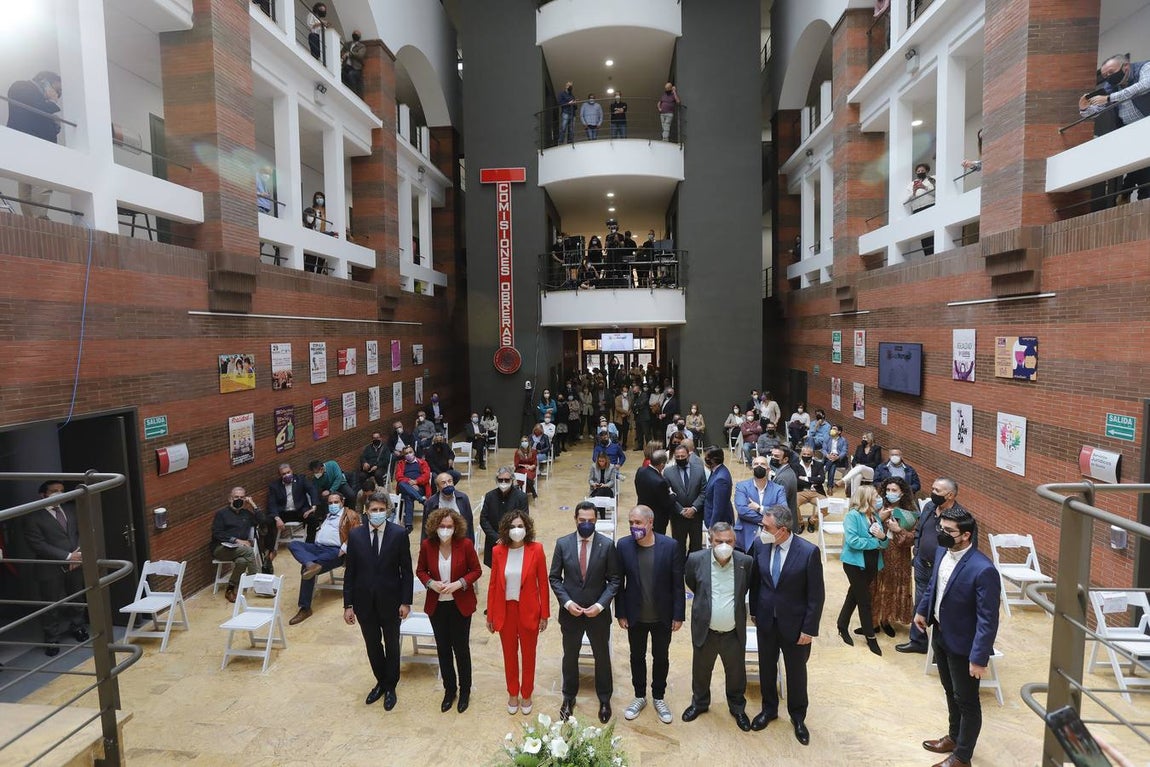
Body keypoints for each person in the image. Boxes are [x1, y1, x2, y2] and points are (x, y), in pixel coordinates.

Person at [914, 507, 1000, 767]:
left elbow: (988, 619)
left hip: (964, 643)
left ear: (965, 535)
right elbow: (934, 587)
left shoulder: (983, 569)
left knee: (968, 701)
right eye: (941, 528)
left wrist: (979, 657)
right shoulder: (943, 551)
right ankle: (953, 737)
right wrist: (922, 612)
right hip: (940, 633)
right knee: (950, 691)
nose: (941, 533)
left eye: (948, 531)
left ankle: (963, 756)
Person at [747, 504, 825, 743]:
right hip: (766, 620)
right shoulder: (760, 544)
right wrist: (754, 613)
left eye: (766, 527)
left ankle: (798, 717)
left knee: (796, 673)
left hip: (796, 626)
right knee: (767, 668)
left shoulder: (808, 552)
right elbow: (755, 581)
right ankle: (769, 710)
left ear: (782, 530)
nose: (762, 530)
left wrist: (809, 629)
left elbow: (816, 595)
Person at [550, 501, 622, 724]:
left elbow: (614, 580)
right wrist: (567, 602)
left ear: (596, 521)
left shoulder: (607, 545)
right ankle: (568, 697)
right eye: (583, 521)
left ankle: (604, 699)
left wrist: (600, 605)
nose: (587, 524)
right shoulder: (563, 544)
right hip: (571, 613)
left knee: (602, 656)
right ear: (575, 519)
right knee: (569, 656)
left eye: (591, 521)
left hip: (597, 614)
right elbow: (555, 578)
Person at [343, 492, 414, 710]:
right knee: (373, 645)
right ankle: (381, 682)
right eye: (373, 510)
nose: (377, 513)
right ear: (366, 511)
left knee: (392, 645)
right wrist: (348, 605)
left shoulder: (399, 534)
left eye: (381, 509)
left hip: (391, 601)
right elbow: (350, 572)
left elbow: (407, 572)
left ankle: (391, 686)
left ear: (388, 511)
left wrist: (406, 602)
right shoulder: (355, 536)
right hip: (364, 603)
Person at [616, 505, 685, 725]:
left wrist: (678, 614)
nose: (634, 527)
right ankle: (639, 696)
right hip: (635, 615)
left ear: (650, 523)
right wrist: (621, 612)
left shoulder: (670, 546)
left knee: (661, 657)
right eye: (631, 523)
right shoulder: (624, 545)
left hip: (662, 616)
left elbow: (677, 584)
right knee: (636, 657)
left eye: (638, 523)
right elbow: (619, 583)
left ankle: (658, 696)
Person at [681, 522, 753, 731]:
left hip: (733, 632)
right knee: (701, 671)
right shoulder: (696, 560)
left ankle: (737, 708)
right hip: (706, 630)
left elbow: (746, 588)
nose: (724, 545)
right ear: (710, 541)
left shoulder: (745, 562)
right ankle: (700, 704)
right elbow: (692, 583)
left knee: (736, 673)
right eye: (719, 541)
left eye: (728, 541)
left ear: (735, 541)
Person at [898, 477, 977, 654]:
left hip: (944, 570)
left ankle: (942, 648)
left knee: (942, 606)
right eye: (932, 489)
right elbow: (919, 530)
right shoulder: (928, 507)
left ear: (950, 495)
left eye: (937, 491)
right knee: (920, 604)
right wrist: (917, 552)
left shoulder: (963, 517)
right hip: (922, 565)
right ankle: (917, 641)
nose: (932, 493)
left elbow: (970, 548)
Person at [417, 508, 483, 714]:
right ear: (435, 527)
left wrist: (460, 583)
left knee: (461, 650)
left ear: (456, 528)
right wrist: (431, 583)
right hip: (437, 605)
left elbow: (476, 570)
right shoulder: (428, 546)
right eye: (442, 526)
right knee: (443, 650)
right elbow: (420, 570)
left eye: (449, 526)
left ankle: (465, 692)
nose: (445, 530)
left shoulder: (465, 545)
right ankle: (449, 690)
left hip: (460, 604)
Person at [487, 510, 550, 715]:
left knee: (529, 655)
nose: (517, 530)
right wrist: (490, 615)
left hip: (529, 610)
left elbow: (543, 584)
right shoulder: (498, 551)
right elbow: (494, 584)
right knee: (509, 655)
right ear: (506, 530)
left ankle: (527, 693)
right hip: (505, 610)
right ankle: (513, 692)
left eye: (520, 526)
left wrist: (544, 614)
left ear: (527, 528)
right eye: (513, 526)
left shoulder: (536, 550)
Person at [23, 480, 89, 655]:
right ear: (43, 494)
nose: (58, 493)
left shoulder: (70, 509)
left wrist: (79, 553)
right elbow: (37, 544)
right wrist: (67, 556)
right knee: (50, 604)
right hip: (49, 567)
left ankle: (78, 627)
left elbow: (83, 531)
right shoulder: (32, 516)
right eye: (54, 491)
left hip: (76, 563)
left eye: (61, 490)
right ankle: (52, 638)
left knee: (77, 597)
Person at [1080, 54, 1150, 202]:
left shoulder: (1144, 68)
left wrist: (1110, 98)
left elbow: (1144, 86)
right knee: (1140, 168)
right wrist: (1085, 110)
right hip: (1130, 132)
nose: (1108, 77)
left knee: (1143, 168)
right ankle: (1129, 193)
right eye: (1105, 75)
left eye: (1111, 72)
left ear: (1126, 67)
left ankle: (1126, 193)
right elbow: (1099, 109)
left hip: (1146, 126)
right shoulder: (1110, 87)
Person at [287, 491, 361, 625]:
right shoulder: (328, 515)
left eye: (336, 502)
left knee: (306, 571)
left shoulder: (350, 515)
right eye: (330, 503)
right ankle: (310, 564)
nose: (333, 505)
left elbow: (357, 534)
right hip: (317, 548)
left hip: (334, 551)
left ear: (342, 502)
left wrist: (343, 549)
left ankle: (305, 608)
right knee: (293, 544)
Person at [837, 485, 889, 656]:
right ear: (866, 498)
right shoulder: (853, 516)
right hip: (854, 564)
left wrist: (882, 538)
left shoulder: (874, 516)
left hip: (872, 563)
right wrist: (876, 541)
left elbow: (885, 543)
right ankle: (870, 637)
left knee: (854, 594)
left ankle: (842, 624)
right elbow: (853, 541)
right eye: (875, 495)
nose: (879, 498)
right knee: (864, 599)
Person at [6, 71, 62, 217]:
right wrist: (51, 102)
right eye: (57, 89)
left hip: (35, 145)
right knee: (37, 183)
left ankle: (33, 220)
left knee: (33, 184)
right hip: (29, 144)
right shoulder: (22, 87)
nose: (58, 94)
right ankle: (38, 219)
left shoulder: (39, 100)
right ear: (44, 81)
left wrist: (53, 123)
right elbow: (34, 108)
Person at [870, 476, 918, 638]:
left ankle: (886, 619)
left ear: (902, 493)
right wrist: (879, 519)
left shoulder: (911, 512)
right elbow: (865, 527)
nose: (890, 493)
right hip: (879, 551)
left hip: (899, 554)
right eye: (888, 490)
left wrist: (898, 530)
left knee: (892, 585)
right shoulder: (877, 506)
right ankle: (874, 620)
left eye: (894, 490)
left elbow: (913, 538)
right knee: (876, 584)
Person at [210, 487, 262, 604]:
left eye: (242, 497)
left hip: (238, 550)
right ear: (230, 499)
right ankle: (259, 583)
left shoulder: (246, 514)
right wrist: (236, 540)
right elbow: (216, 533)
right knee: (248, 551)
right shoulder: (221, 514)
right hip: (221, 548)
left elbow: (262, 521)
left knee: (242, 561)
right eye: (236, 497)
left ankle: (230, 589)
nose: (239, 499)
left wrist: (253, 504)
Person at [734, 455, 787, 553]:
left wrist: (760, 508)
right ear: (752, 468)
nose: (759, 466)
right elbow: (742, 511)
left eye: (762, 464)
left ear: (768, 469)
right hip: (745, 536)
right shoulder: (741, 487)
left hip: (771, 536)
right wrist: (768, 520)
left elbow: (783, 511)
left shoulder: (778, 489)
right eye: (756, 464)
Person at [480, 467, 530, 567]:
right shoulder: (490, 496)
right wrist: (497, 538)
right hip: (494, 541)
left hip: (515, 540)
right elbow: (483, 519)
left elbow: (525, 520)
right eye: (500, 480)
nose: (503, 482)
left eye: (507, 480)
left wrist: (507, 537)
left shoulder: (521, 497)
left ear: (512, 480)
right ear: (496, 480)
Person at [666, 443, 706, 559]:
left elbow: (703, 492)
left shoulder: (699, 470)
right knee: (678, 548)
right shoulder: (668, 472)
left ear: (688, 455)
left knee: (696, 547)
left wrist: (693, 508)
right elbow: (668, 494)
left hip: (696, 516)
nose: (680, 459)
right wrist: (681, 510)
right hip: (678, 516)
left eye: (682, 456)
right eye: (677, 457)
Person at [267, 463, 318, 544]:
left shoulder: (301, 479)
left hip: (300, 511)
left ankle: (309, 544)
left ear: (292, 471)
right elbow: (271, 503)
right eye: (284, 474)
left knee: (312, 519)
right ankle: (271, 549)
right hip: (283, 513)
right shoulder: (274, 486)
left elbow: (312, 490)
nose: (287, 475)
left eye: (288, 472)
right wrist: (277, 518)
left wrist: (313, 507)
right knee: (268, 521)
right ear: (280, 475)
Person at [634, 449, 676, 535]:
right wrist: (672, 494)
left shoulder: (640, 471)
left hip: (641, 513)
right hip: (656, 519)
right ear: (662, 465)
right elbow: (666, 503)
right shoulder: (660, 482)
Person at [423, 473, 474, 542]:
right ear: (438, 487)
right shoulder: (431, 502)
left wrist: (470, 543)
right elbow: (426, 527)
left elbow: (469, 522)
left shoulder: (463, 498)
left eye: (450, 481)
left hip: (460, 539)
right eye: (443, 483)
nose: (448, 484)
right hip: (439, 541)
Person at [393, 446, 431, 533]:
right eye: (406, 453)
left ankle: (408, 525)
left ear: (413, 452)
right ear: (404, 455)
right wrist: (410, 482)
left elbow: (426, 476)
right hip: (406, 486)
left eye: (410, 452)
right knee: (402, 484)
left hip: (420, 487)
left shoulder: (422, 462)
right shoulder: (401, 463)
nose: (409, 454)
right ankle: (421, 500)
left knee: (408, 496)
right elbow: (398, 477)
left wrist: (416, 482)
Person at [904, 163, 936, 255]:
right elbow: (906, 200)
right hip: (917, 209)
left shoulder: (932, 180)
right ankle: (927, 253)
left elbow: (937, 193)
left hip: (930, 206)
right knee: (923, 231)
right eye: (918, 171)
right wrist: (913, 192)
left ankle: (934, 251)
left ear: (927, 171)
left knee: (931, 229)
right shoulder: (911, 184)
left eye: (922, 171)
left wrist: (924, 187)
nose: (920, 172)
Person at [794, 446, 828, 533]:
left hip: (816, 492)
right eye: (804, 454)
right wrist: (814, 479)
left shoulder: (819, 465)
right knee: (792, 504)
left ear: (812, 455)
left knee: (828, 506)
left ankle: (812, 521)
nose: (806, 455)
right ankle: (800, 523)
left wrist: (805, 478)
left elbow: (822, 480)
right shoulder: (795, 465)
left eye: (808, 454)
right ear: (801, 454)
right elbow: (796, 481)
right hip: (801, 491)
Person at [703, 446, 735, 528]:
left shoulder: (720, 479)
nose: (705, 459)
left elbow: (718, 507)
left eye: (706, 457)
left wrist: (712, 526)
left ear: (713, 460)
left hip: (719, 525)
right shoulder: (717, 471)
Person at [343, 31, 366, 96]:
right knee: (342, 74)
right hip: (346, 66)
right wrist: (343, 55)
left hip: (356, 68)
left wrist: (350, 53)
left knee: (351, 75)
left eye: (357, 34)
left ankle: (354, 92)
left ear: (359, 37)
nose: (355, 35)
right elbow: (342, 51)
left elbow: (360, 55)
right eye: (354, 33)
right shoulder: (348, 44)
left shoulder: (362, 46)